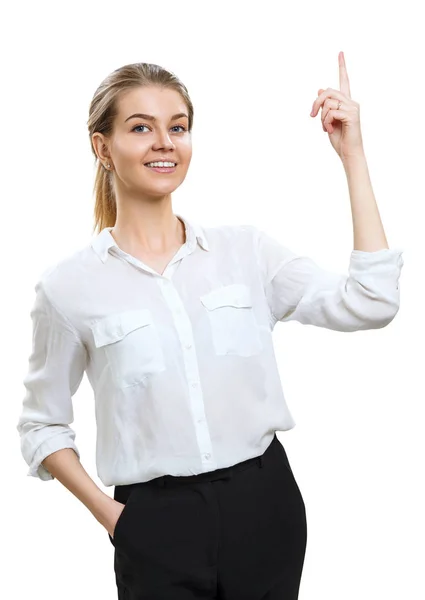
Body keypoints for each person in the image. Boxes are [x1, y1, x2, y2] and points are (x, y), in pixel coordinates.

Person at [16, 61, 404, 600]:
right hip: (154, 524)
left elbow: (372, 301)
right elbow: (42, 426)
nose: (164, 143)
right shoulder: (68, 288)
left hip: (264, 507)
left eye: (177, 126)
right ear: (102, 148)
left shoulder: (246, 252)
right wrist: (113, 518)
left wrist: (353, 157)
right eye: (140, 127)